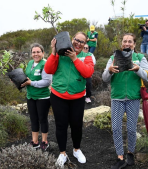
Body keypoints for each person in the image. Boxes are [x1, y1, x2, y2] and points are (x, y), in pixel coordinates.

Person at [102, 33, 148, 169]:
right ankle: (120, 156)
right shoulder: (113, 58)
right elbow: (104, 77)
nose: (127, 44)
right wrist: (110, 71)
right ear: (121, 43)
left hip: (133, 98)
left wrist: (137, 69)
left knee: (131, 128)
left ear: (134, 44)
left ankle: (130, 152)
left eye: (130, 41)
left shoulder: (140, 58)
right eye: (125, 41)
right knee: (116, 128)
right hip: (117, 98)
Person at [45, 32, 94, 167]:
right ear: (72, 39)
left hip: (77, 97)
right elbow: (49, 69)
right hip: (58, 96)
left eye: (82, 42)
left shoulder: (88, 56)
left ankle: (77, 150)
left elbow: (87, 73)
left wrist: (74, 58)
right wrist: (54, 52)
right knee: (61, 125)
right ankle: (63, 153)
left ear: (85, 44)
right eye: (76, 40)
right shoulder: (60, 54)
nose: (78, 43)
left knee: (76, 125)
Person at [21, 43, 52, 151]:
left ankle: (44, 142)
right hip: (31, 96)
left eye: (38, 52)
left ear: (43, 53)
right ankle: (35, 142)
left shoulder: (46, 63)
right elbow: (27, 77)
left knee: (42, 119)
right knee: (33, 119)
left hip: (42, 97)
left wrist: (31, 83)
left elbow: (47, 82)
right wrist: (18, 80)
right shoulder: (30, 63)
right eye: (34, 52)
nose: (36, 54)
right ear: (31, 54)